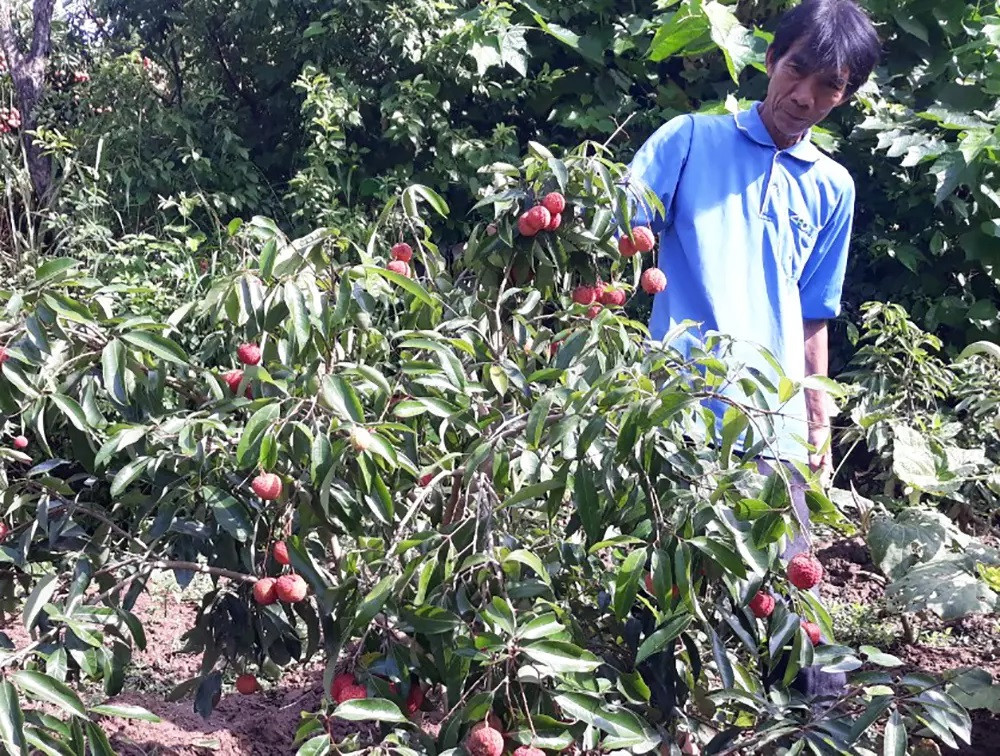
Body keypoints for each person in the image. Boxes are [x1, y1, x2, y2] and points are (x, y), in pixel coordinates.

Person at [625, 0, 880, 698]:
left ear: (846, 94)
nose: (805, 97)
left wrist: (819, 426)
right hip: (675, 412)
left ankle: (801, 726)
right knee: (661, 587)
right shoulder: (688, 140)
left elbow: (812, 317)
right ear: (771, 59)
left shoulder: (833, 187)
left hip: (775, 423)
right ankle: (659, 718)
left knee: (786, 594)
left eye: (830, 86)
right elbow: (618, 235)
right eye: (798, 71)